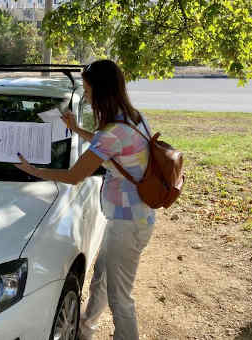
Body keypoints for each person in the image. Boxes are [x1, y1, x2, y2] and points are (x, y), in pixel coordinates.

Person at [14, 59, 155, 340]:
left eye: (89, 91)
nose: (87, 97)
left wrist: (34, 170)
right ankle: (86, 327)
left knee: (120, 299)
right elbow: (108, 146)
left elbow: (74, 175)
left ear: (102, 91)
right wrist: (77, 130)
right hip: (130, 218)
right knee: (102, 279)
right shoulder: (132, 118)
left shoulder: (113, 131)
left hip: (128, 224)